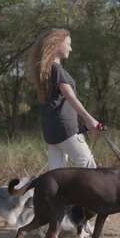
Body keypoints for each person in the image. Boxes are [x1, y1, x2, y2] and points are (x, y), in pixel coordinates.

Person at [28, 27, 101, 171]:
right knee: (89, 168)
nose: (71, 48)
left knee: (56, 174)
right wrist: (89, 119)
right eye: (68, 44)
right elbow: (69, 96)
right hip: (66, 129)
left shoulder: (46, 70)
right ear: (57, 44)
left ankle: (56, 194)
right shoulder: (56, 69)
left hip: (51, 131)